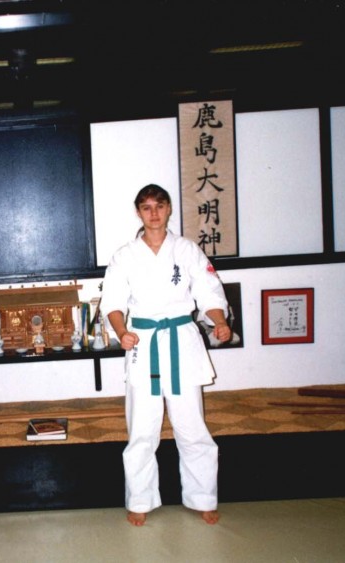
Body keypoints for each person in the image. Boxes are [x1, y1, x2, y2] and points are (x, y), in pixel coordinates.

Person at [102, 184, 231, 527]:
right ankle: (139, 499)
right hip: (142, 343)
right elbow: (112, 302)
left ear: (169, 208)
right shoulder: (125, 255)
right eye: (146, 207)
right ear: (138, 213)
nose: (154, 213)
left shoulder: (187, 250)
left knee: (192, 427)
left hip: (181, 341)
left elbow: (209, 292)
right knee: (142, 429)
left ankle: (203, 497)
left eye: (159, 206)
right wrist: (122, 332)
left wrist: (219, 322)